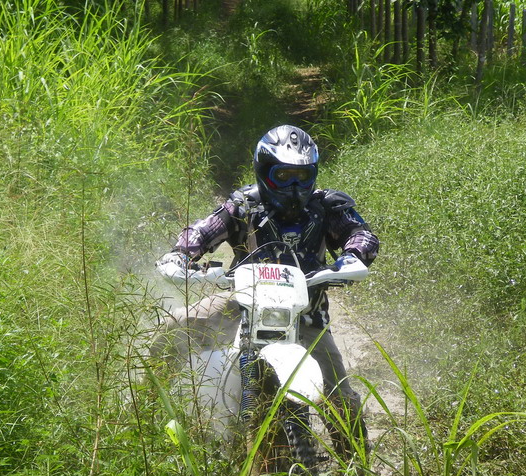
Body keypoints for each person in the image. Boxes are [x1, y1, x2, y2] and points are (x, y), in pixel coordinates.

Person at [156, 124, 379, 459]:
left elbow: (360, 233)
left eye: (302, 177)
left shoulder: (326, 207)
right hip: (242, 303)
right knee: (176, 325)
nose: (294, 188)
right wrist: (180, 254)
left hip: (307, 316)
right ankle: (147, 403)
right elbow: (202, 231)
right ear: (264, 172)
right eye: (283, 176)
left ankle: (359, 470)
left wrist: (353, 255)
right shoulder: (243, 206)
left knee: (340, 397)